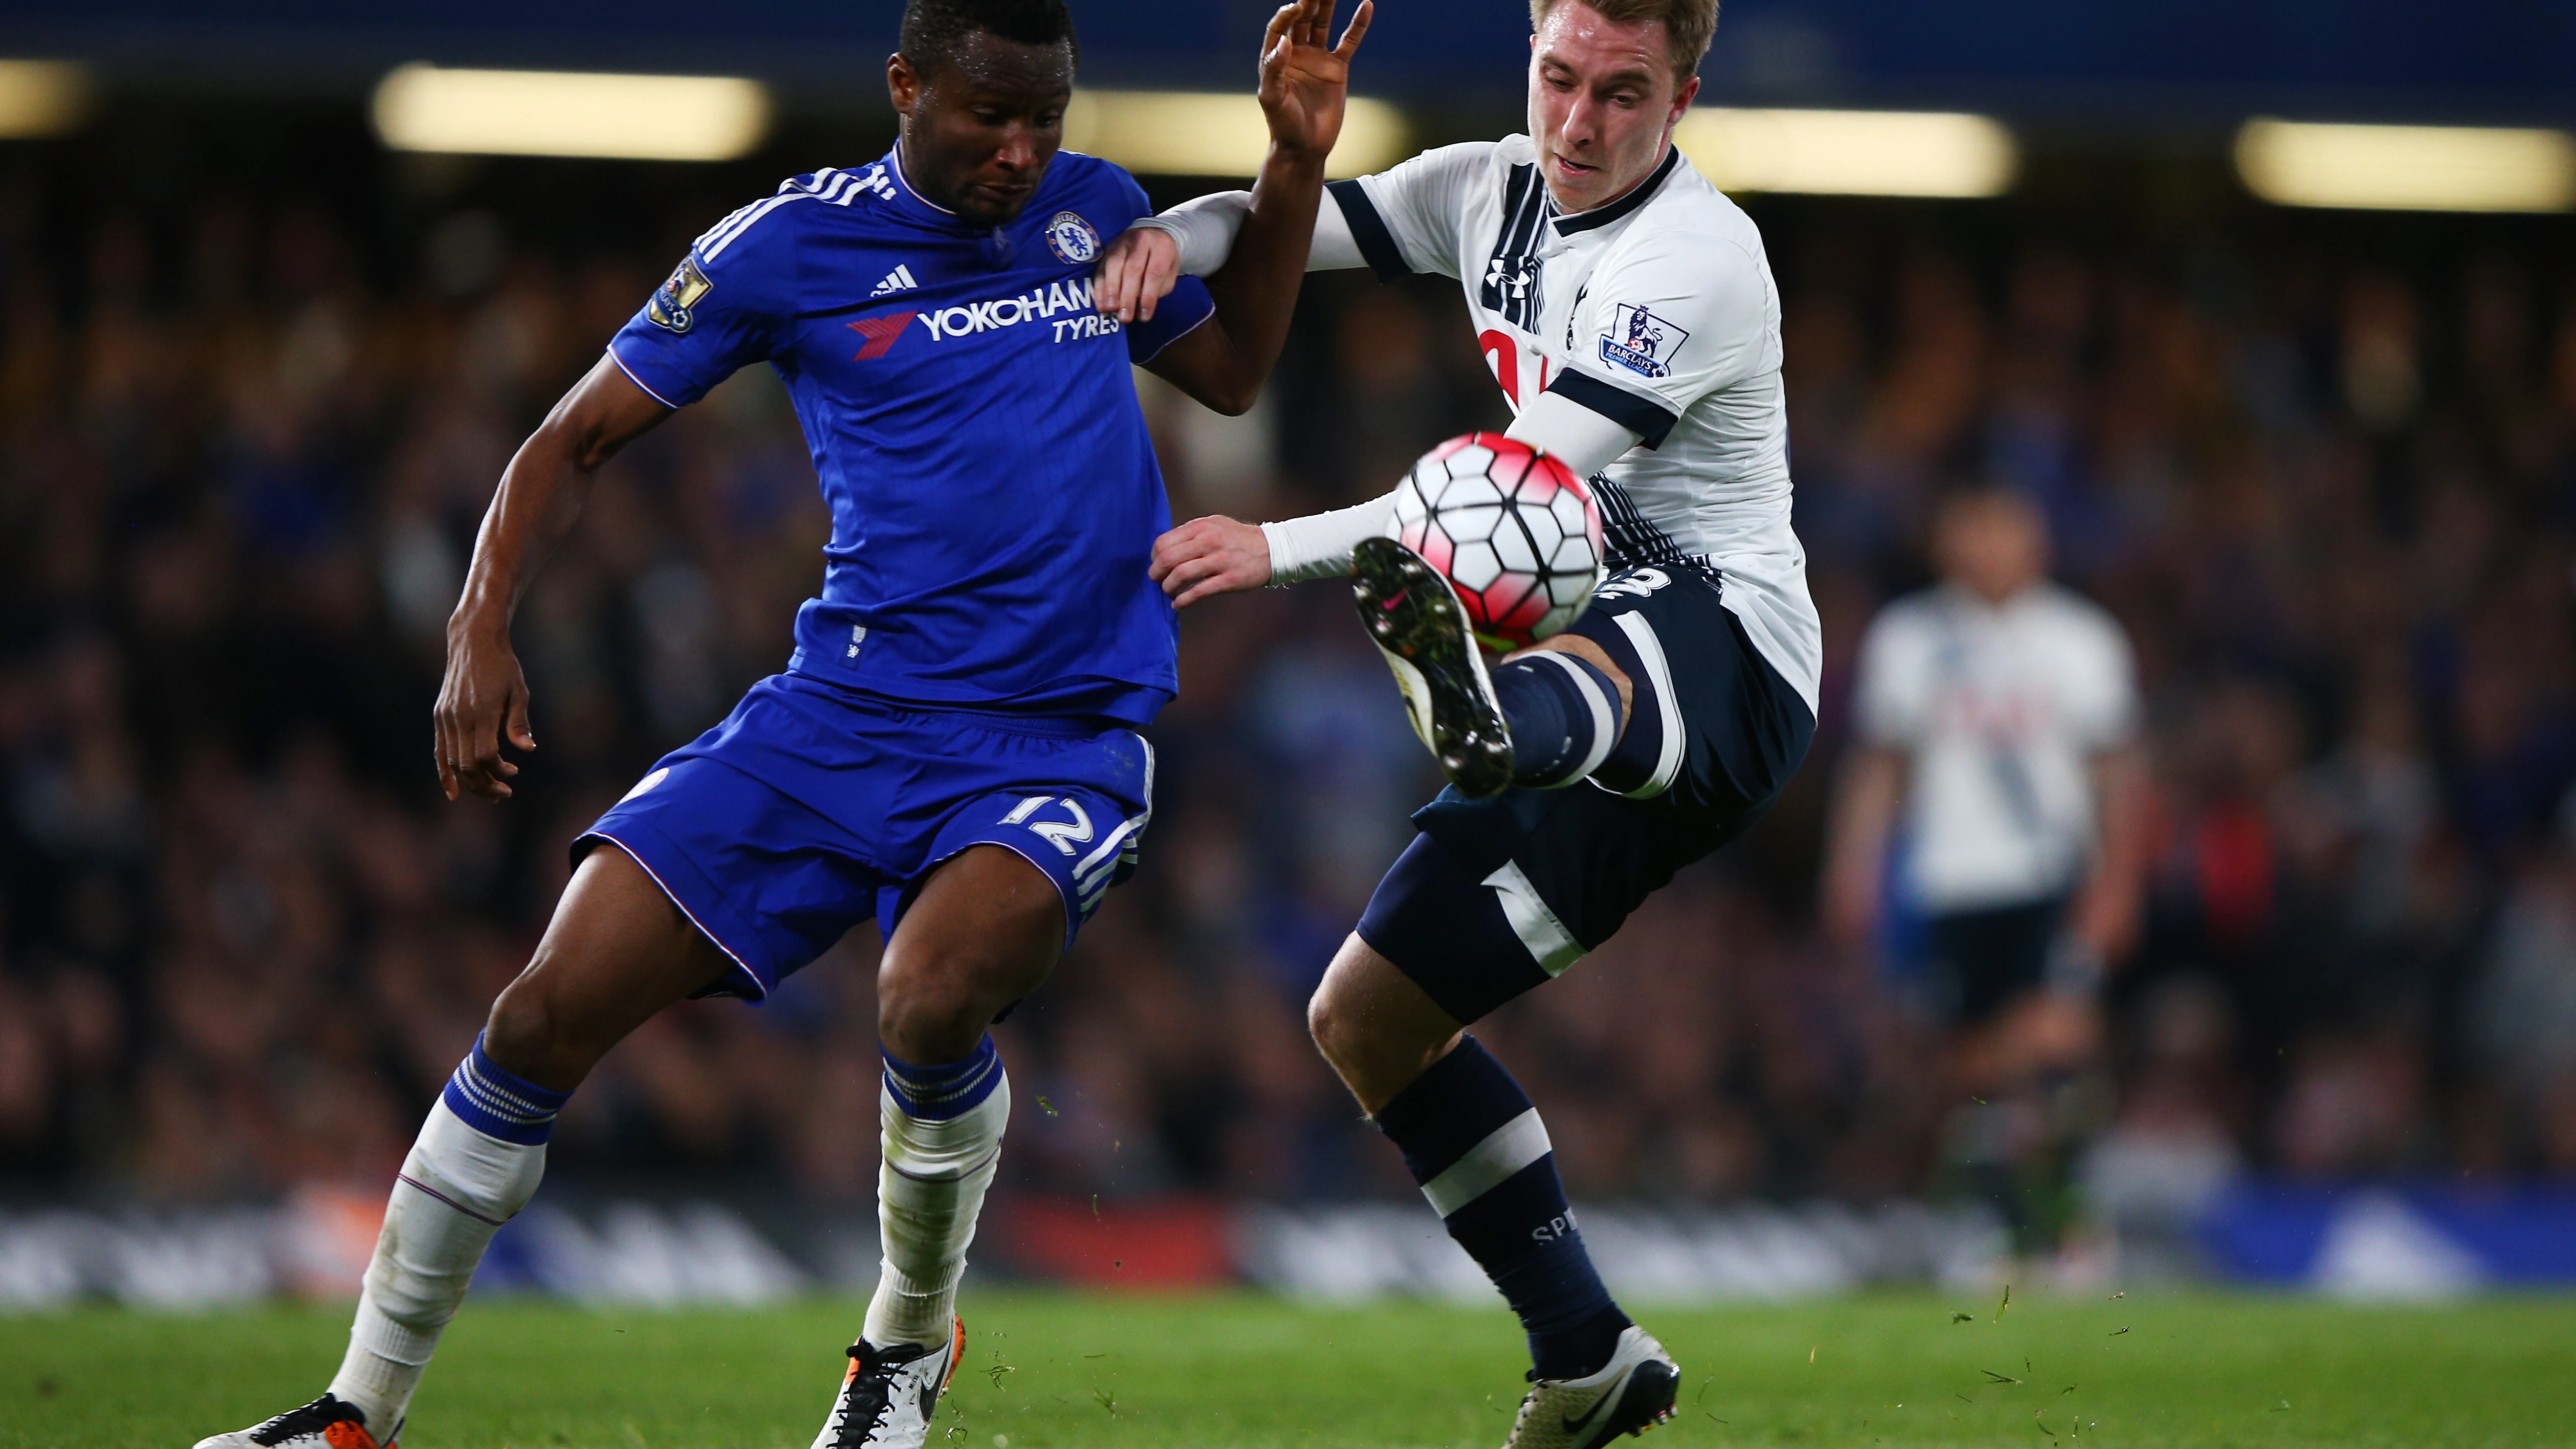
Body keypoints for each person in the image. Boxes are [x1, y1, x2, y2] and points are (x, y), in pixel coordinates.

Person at [193, 2, 1369, 1447]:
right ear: (904, 89)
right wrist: (479, 620)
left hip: (1060, 731)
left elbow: (1235, 372)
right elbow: (573, 439)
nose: (1020, 152)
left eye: (1045, 120)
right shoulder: (784, 250)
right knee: (537, 1013)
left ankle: (900, 1345)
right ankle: (350, 1415)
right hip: (842, 713)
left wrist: (1293, 160)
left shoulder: (1093, 211)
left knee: (929, 994)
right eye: (988, 116)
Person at [1094, 2, 1815, 1442]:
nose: (1581, 124)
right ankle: (1588, 1355)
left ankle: (1505, 714)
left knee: (1529, 540)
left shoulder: (1699, 258)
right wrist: (1168, 234)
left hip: (1725, 654)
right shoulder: (1482, 189)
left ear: (1685, 94)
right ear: (1532, 58)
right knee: (1365, 1017)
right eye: (1560, 79)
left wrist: (1277, 543)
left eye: (1624, 94)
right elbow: (1280, 221)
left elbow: (1510, 488)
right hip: (1579, 690)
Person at [1821, 486, 2146, 1261]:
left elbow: (2117, 773)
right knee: (1961, 1062)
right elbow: (1879, 765)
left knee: (2056, 1039)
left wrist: (2119, 884)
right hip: (1949, 878)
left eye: (2008, 529)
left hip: (2050, 873)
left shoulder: (2079, 639)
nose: (1992, 546)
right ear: (1946, 541)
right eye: (1976, 529)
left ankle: (2064, 1222)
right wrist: (1853, 868)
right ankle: (2005, 1228)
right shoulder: (1910, 639)